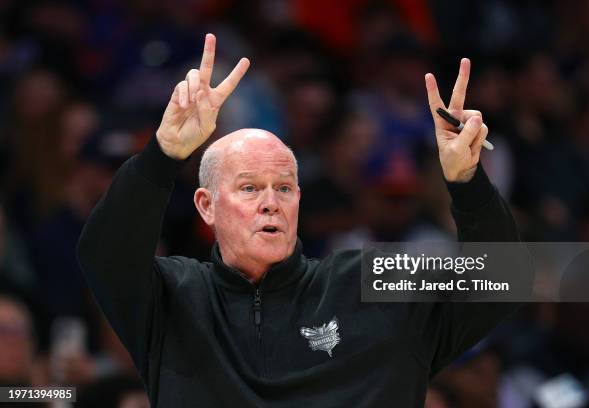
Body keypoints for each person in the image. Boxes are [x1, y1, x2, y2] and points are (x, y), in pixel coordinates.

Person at [77, 34, 522, 407]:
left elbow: (503, 277)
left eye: (284, 188)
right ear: (206, 205)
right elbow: (103, 253)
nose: (271, 202)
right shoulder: (174, 296)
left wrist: (468, 184)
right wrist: (162, 155)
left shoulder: (372, 278)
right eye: (250, 187)